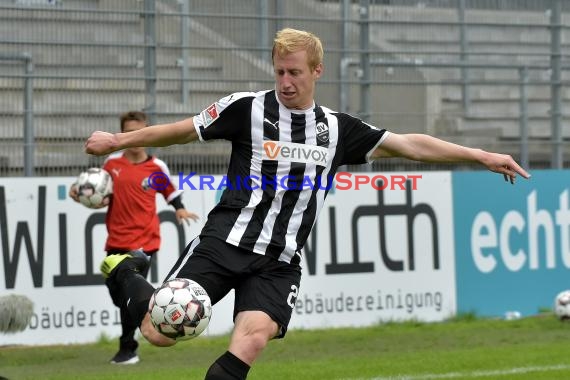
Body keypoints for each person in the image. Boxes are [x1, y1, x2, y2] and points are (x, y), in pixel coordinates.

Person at [83, 28, 530, 379]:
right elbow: (183, 130)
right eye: (279, 71)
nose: (285, 82)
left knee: (252, 339)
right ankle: (125, 270)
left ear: (317, 71)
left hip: (280, 260)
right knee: (157, 335)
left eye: (294, 72)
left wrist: (481, 155)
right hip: (225, 242)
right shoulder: (247, 108)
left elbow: (411, 144)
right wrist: (120, 141)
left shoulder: (337, 129)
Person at [70, 110, 199, 365]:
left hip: (144, 243)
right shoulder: (111, 164)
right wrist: (81, 194)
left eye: (137, 132)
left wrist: (180, 209)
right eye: (128, 133)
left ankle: (128, 349)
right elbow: (98, 193)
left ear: (146, 132)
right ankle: (142, 321)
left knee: (129, 290)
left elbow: (171, 193)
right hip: (116, 241)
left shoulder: (156, 167)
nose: (134, 138)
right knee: (119, 296)